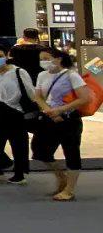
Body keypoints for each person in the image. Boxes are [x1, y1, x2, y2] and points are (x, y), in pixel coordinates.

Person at [31, 48, 90, 201]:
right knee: (39, 149)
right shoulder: (42, 75)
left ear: (58, 59)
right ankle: (61, 177)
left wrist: (61, 110)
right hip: (49, 118)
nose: (43, 62)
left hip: (69, 120)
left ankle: (69, 190)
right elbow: (38, 97)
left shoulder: (71, 75)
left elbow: (85, 98)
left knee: (71, 152)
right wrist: (49, 111)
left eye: (47, 58)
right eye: (41, 59)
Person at [0, 44, 36, 184]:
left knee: (18, 143)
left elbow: (31, 92)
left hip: (15, 110)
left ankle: (19, 173)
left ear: (7, 56)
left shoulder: (18, 72)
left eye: (0, 56)